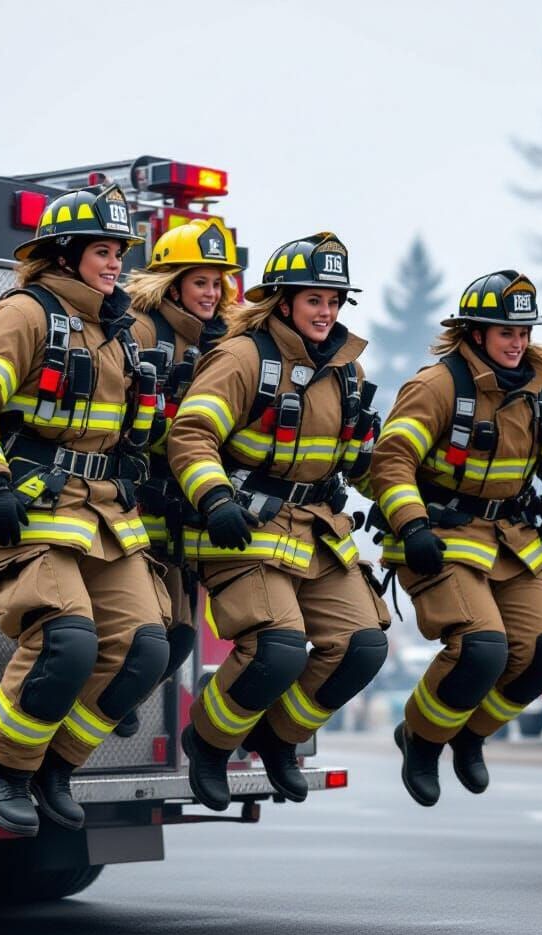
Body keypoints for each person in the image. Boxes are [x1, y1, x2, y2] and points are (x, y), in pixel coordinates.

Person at [0, 184, 171, 836]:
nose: (115, 264)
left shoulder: (118, 331)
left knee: (144, 649)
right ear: (64, 256)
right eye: (102, 252)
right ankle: (3, 766)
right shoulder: (23, 315)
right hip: (29, 509)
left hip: (105, 516)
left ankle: (56, 767)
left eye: (119, 252)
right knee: (66, 642)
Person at [369, 270, 542, 806]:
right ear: (476, 333)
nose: (518, 342)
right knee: (482, 649)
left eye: (524, 332)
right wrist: (411, 524)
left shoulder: (539, 391)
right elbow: (392, 459)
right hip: (440, 536)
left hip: (511, 540)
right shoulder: (437, 386)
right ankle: (422, 740)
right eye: (507, 332)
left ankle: (471, 735)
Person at [167, 232, 390, 811]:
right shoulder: (242, 358)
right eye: (314, 299)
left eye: (334, 301)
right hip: (244, 524)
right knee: (278, 648)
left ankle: (277, 738)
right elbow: (192, 435)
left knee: (362, 646)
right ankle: (210, 743)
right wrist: (214, 499)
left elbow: (364, 461)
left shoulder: (348, 369)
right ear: (283, 302)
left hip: (317, 528)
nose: (326, 312)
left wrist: (407, 513)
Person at [113, 219, 242, 738]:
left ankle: (114, 703)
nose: (211, 293)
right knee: (148, 631)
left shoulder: (224, 343)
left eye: (217, 283)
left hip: (185, 506)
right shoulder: (142, 331)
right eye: (199, 282)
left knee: (182, 636)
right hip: (136, 500)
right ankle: (101, 705)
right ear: (172, 285)